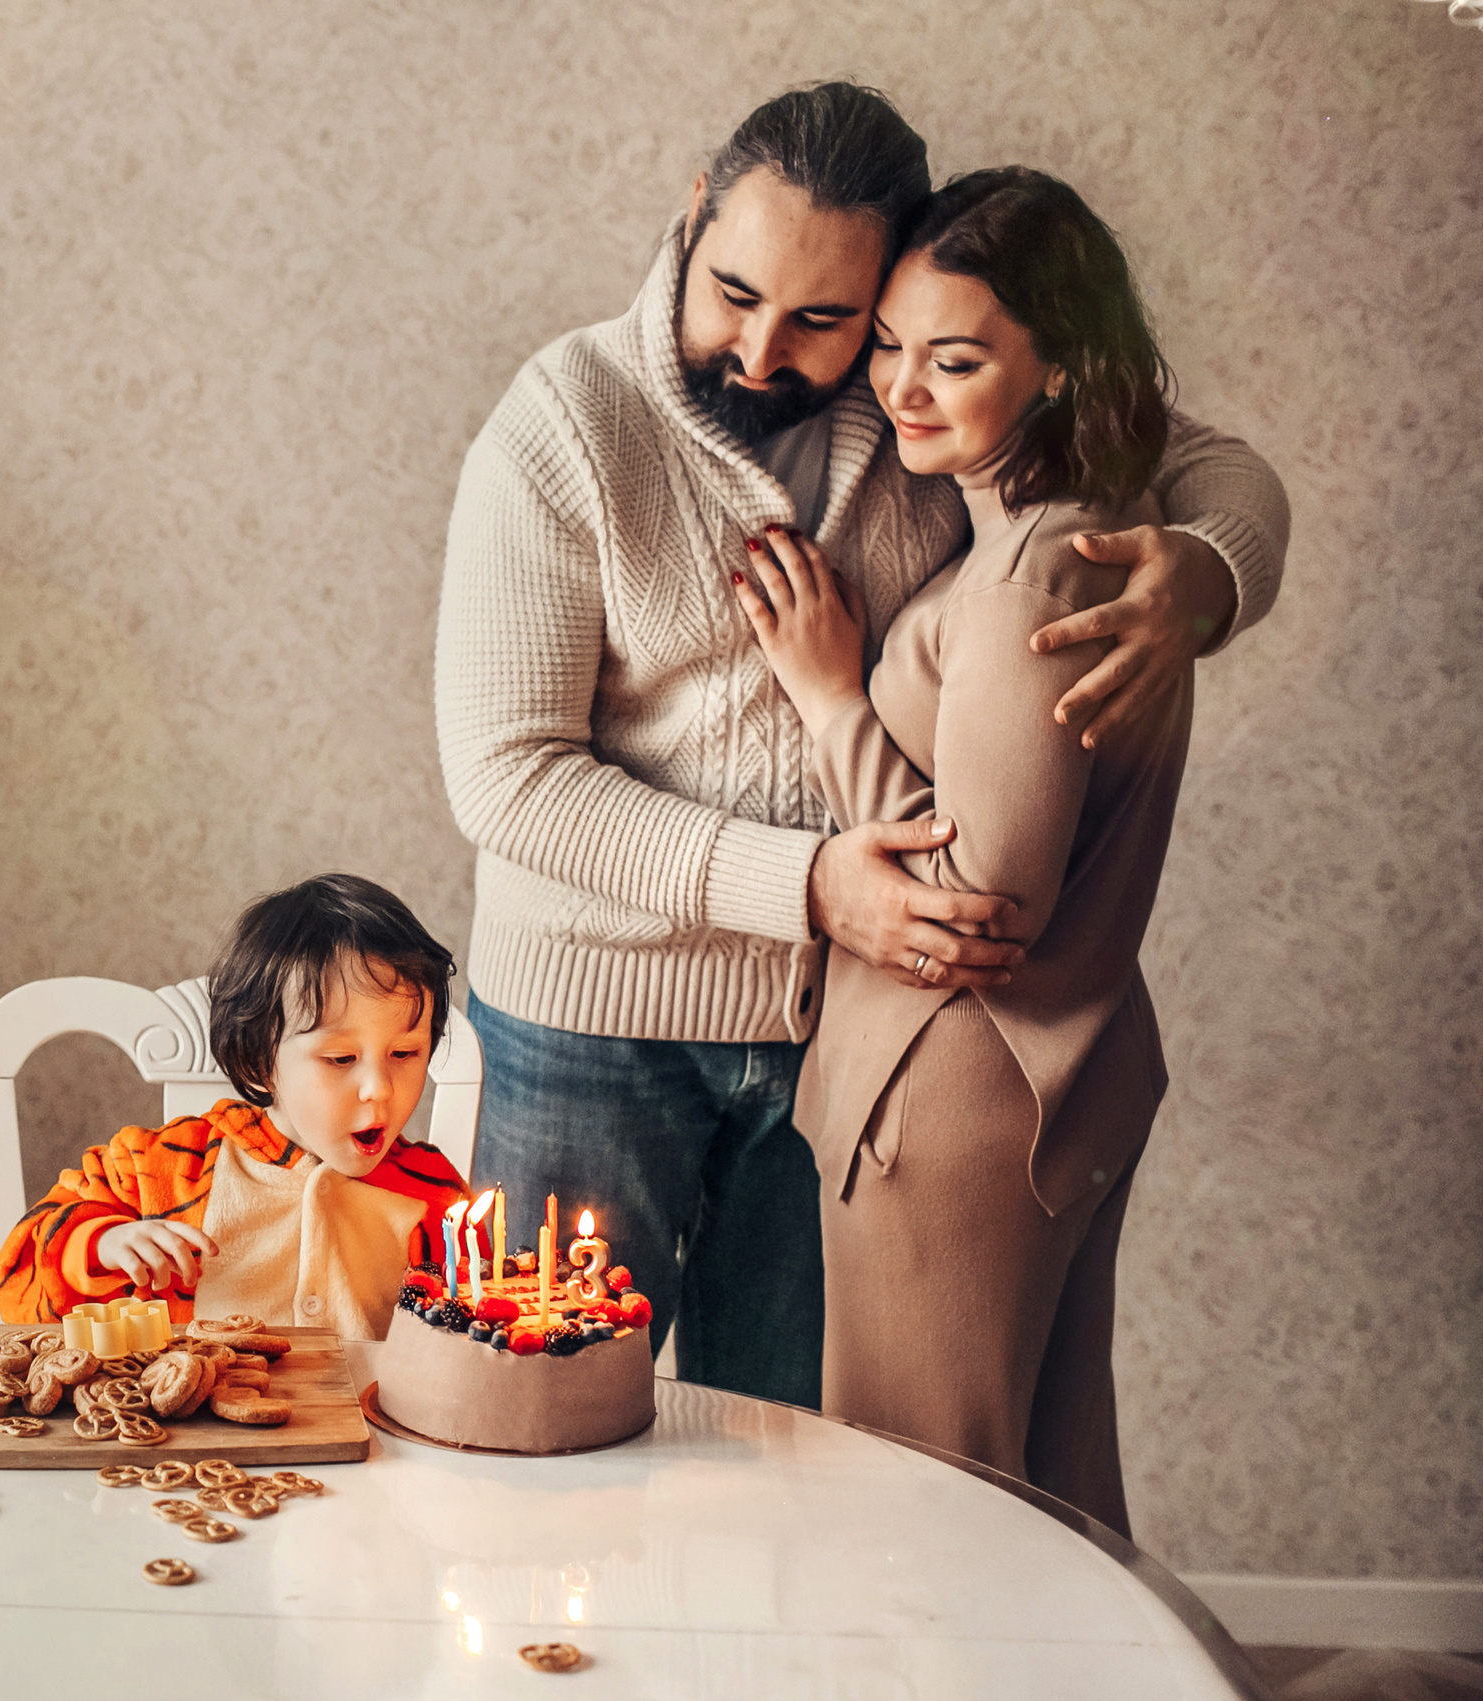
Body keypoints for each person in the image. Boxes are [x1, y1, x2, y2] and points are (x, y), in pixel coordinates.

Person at [435, 82, 1289, 1407]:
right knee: (538, 1432)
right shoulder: (561, 425)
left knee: (794, 1474)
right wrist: (813, 885)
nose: (764, 350)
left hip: (832, 1038)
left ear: (886, 286)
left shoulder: (923, 397)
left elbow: (1212, 463)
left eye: (826, 319)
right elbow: (508, 773)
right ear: (694, 216)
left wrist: (1208, 568)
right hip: (587, 1025)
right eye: (733, 291)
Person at [736, 167, 1199, 1534]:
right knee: (1040, 1500)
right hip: (1041, 1080)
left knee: (924, 1512)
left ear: (1058, 368)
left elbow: (981, 903)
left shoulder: (1024, 580)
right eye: (887, 345)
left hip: (957, 1096)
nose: (903, 388)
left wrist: (829, 700)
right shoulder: (1081, 540)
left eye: (955, 357)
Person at [0, 874, 469, 1339]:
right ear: (261, 1060)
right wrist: (103, 1244)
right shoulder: (162, 1169)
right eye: (341, 1058)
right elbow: (18, 1281)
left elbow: (470, 1342)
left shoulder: (435, 1199)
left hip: (367, 1420)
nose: (379, 1089)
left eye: (404, 1054)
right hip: (196, 1419)